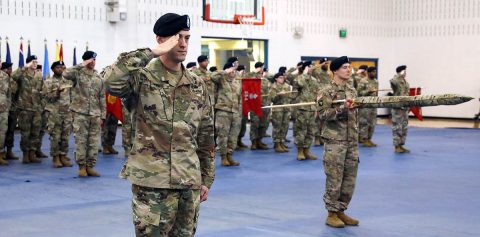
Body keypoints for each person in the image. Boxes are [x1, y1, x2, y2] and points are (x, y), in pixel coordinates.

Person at [103, 13, 215, 236]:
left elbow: (205, 134)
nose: (183, 44)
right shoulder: (141, 78)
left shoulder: (196, 84)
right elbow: (109, 80)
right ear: (160, 39)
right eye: (177, 38)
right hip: (152, 183)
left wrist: (206, 179)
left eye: (186, 38)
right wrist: (150, 53)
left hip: (188, 181)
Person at [317, 56, 359, 228]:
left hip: (351, 141)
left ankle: (341, 210)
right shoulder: (326, 91)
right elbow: (322, 114)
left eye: (349, 67)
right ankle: (331, 213)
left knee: (349, 179)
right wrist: (343, 109)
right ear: (334, 70)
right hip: (335, 141)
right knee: (334, 178)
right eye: (344, 67)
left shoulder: (352, 90)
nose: (348, 70)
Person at [63, 51, 106, 177]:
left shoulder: (99, 77)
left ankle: (90, 166)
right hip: (80, 113)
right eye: (91, 60)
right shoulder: (77, 74)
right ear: (86, 60)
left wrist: (102, 115)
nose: (93, 62)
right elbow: (65, 74)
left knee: (93, 142)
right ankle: (82, 166)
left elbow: (102, 97)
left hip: (95, 115)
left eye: (94, 60)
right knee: (81, 141)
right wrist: (82, 64)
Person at [12, 55, 44, 164]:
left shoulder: (39, 75)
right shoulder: (22, 73)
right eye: (33, 62)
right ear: (28, 63)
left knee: (35, 133)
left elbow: (42, 90)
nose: (35, 64)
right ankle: (25, 154)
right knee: (25, 133)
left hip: (36, 109)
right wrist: (25, 67)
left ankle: (32, 153)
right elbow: (13, 77)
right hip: (24, 108)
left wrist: (41, 105)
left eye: (36, 62)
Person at [211, 62, 242, 166]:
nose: (233, 72)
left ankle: (230, 156)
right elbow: (212, 76)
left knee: (233, 136)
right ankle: (223, 157)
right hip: (223, 112)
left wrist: (240, 112)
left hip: (235, 112)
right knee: (223, 136)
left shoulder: (237, 83)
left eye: (234, 71)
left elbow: (239, 98)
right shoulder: (221, 80)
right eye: (231, 70)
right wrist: (225, 71)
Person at [44, 61, 73, 168]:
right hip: (54, 113)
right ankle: (55, 157)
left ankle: (63, 155)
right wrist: (57, 92)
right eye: (57, 67)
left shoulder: (68, 82)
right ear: (52, 69)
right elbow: (47, 97)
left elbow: (72, 96)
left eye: (61, 67)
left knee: (65, 136)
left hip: (66, 112)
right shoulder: (48, 82)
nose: (60, 69)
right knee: (55, 136)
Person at [294, 61, 319, 160]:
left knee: (310, 131)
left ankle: (307, 150)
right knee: (301, 130)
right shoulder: (300, 78)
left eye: (312, 66)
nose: (312, 68)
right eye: (309, 66)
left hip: (312, 109)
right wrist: (304, 73)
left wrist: (318, 108)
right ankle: (300, 151)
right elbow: (299, 84)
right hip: (302, 109)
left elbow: (317, 95)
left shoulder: (314, 80)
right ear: (305, 68)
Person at [247, 62, 271, 150]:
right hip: (255, 106)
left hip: (264, 106)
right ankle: (253, 142)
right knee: (255, 124)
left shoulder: (265, 80)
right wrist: (254, 71)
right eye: (261, 67)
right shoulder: (252, 78)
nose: (262, 69)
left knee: (263, 124)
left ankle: (259, 141)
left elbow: (269, 92)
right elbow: (246, 78)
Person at [269, 73, 292, 153]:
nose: (282, 79)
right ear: (276, 79)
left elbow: (290, 97)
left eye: (283, 77)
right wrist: (278, 95)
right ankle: (276, 143)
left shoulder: (287, 86)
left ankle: (282, 141)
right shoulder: (273, 87)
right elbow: (272, 99)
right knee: (277, 127)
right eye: (280, 78)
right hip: (278, 109)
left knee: (285, 126)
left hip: (286, 109)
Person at [390, 65, 410, 153]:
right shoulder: (396, 81)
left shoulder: (405, 82)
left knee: (404, 127)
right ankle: (396, 146)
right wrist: (398, 75)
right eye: (404, 71)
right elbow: (392, 81)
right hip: (397, 107)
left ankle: (401, 144)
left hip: (405, 107)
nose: (405, 73)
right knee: (397, 127)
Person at [357, 66, 379, 147]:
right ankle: (364, 139)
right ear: (368, 73)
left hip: (373, 105)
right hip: (365, 106)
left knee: (372, 124)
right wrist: (367, 92)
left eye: (375, 72)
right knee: (364, 123)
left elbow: (376, 94)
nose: (374, 73)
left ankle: (369, 139)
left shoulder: (376, 81)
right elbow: (358, 93)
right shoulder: (363, 81)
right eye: (373, 72)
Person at [2, 62, 19, 161]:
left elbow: (17, 94)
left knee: (11, 131)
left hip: (12, 109)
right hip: (2, 109)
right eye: (7, 69)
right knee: (2, 131)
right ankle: (1, 152)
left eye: (11, 69)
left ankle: (9, 151)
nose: (10, 71)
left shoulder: (13, 81)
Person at [312, 58, 331, 146]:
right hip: (319, 98)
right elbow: (310, 70)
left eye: (327, 63)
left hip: (327, 98)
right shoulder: (316, 72)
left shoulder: (329, 73)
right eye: (324, 63)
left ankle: (322, 137)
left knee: (325, 118)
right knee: (318, 118)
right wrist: (319, 64)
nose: (326, 65)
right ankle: (316, 137)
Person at [0, 61, 16, 165]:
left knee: (3, 131)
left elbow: (9, 94)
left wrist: (8, 106)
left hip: (4, 109)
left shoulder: (5, 77)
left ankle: (2, 153)